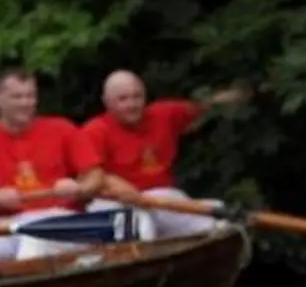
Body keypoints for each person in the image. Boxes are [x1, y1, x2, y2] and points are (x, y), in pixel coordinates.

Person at [0, 67, 105, 264]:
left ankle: (23, 283)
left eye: (30, 96)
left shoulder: (62, 128)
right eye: (17, 97)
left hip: (61, 219)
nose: (26, 103)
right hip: (8, 224)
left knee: (33, 241)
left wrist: (78, 188)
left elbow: (96, 176)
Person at [81, 70, 250, 240]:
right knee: (141, 223)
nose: (132, 104)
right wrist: (121, 189)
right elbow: (89, 176)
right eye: (123, 99)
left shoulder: (163, 114)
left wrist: (236, 95)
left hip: (163, 199)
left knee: (218, 209)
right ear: (106, 102)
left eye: (137, 97)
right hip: (118, 204)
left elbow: (201, 107)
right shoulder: (95, 131)